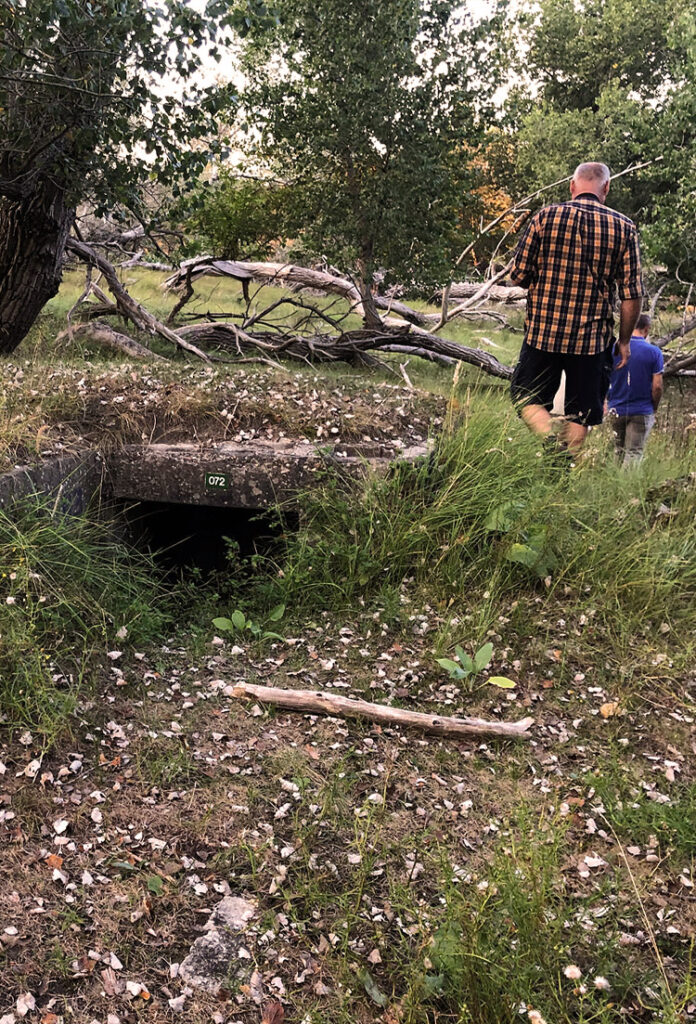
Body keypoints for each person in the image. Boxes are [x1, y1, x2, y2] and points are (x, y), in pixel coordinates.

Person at [509, 161, 644, 453]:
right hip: (591, 340)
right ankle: (563, 466)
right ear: (606, 187)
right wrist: (623, 341)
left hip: (542, 332)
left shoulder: (545, 217)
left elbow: (518, 275)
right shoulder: (623, 227)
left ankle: (549, 443)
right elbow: (632, 294)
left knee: (525, 397)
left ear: (572, 186)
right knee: (582, 411)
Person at [607, 312, 663, 465]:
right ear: (646, 329)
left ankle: (612, 483)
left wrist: (606, 400)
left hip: (615, 408)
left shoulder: (613, 349)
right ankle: (627, 487)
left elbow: (603, 378)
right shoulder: (654, 352)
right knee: (634, 452)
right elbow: (657, 386)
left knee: (617, 450)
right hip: (641, 409)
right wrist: (654, 406)